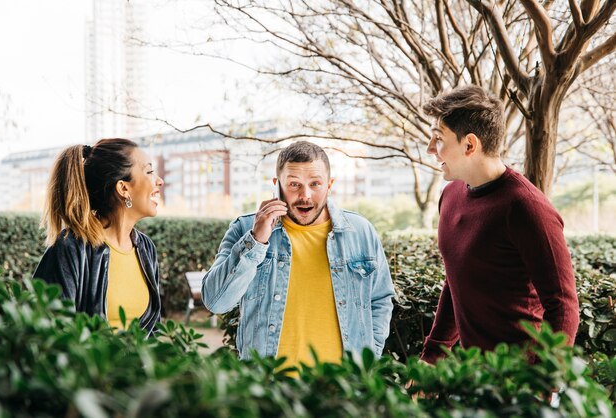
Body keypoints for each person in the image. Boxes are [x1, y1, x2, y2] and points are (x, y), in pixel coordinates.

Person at [420, 85, 579, 364]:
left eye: (438, 139)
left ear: (470, 145)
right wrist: (432, 356)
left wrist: (542, 382)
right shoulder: (451, 196)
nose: (430, 149)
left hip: (522, 381)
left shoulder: (527, 208)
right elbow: (456, 280)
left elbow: (563, 305)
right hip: (475, 376)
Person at [202, 141, 395, 366]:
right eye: (294, 184)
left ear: (329, 185)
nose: (305, 195)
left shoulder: (361, 231)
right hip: (268, 385)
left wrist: (369, 356)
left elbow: (380, 299)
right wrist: (256, 240)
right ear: (277, 185)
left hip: (344, 387)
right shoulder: (245, 229)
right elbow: (216, 302)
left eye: (315, 184)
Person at [33, 138, 164, 335]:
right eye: (149, 172)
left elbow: (152, 330)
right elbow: (49, 332)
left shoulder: (146, 248)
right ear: (123, 189)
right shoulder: (71, 248)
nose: (159, 181)